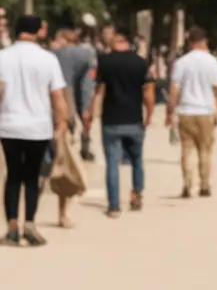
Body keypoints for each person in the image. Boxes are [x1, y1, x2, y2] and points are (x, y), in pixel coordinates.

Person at [0, 13, 67, 246]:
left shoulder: (3, 57)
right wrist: (63, 122)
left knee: (12, 175)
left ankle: (11, 226)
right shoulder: (47, 59)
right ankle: (29, 223)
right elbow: (57, 95)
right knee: (32, 177)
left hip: (8, 125)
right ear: (38, 31)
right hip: (38, 127)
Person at [92, 25, 154, 218]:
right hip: (134, 118)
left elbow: (99, 91)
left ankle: (114, 205)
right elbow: (148, 93)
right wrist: (149, 114)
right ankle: (136, 195)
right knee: (137, 160)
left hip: (111, 119)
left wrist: (91, 113)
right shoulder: (141, 63)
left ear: (117, 39)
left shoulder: (105, 62)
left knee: (112, 162)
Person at [169, 27, 217, 197]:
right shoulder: (213, 62)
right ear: (205, 41)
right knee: (205, 150)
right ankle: (204, 184)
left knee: (187, 150)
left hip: (186, 109)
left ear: (189, 43)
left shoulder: (181, 62)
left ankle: (187, 183)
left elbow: (174, 88)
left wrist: (172, 109)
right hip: (206, 110)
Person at [53, 25, 97, 162]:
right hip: (83, 86)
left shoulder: (59, 53)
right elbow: (89, 77)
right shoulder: (87, 53)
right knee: (85, 118)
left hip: (64, 90)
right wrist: (86, 104)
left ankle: (64, 150)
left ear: (63, 39)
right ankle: (85, 146)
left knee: (66, 120)